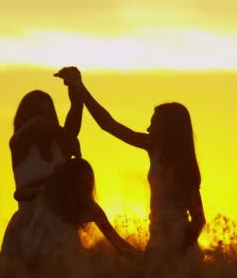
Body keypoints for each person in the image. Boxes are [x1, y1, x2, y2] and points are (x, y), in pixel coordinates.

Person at [64, 67, 206, 261]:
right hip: (156, 243)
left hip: (177, 250)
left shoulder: (185, 167)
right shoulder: (153, 149)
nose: (148, 128)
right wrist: (79, 87)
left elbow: (199, 220)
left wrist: (176, 253)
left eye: (154, 124)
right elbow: (109, 125)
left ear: (168, 129)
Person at [0, 70, 83, 261]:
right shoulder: (18, 144)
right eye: (38, 111)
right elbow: (38, 124)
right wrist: (67, 136)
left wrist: (74, 86)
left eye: (48, 111)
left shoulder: (59, 145)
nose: (44, 116)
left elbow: (76, 111)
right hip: (27, 225)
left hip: (60, 226)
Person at [21, 158, 139, 263]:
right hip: (36, 255)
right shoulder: (50, 191)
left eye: (87, 182)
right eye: (82, 181)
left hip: (55, 259)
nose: (86, 185)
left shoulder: (91, 208)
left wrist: (141, 257)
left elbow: (117, 244)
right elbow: (19, 194)